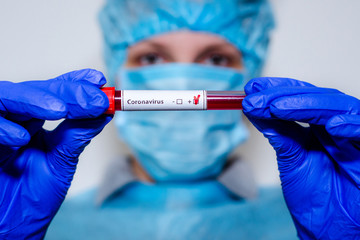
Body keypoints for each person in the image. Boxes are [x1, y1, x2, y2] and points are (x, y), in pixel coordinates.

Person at [0, 1, 359, 240]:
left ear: (249, 71)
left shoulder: (326, 210)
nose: (184, 81)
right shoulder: (45, 216)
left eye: (216, 60)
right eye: (152, 59)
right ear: (117, 70)